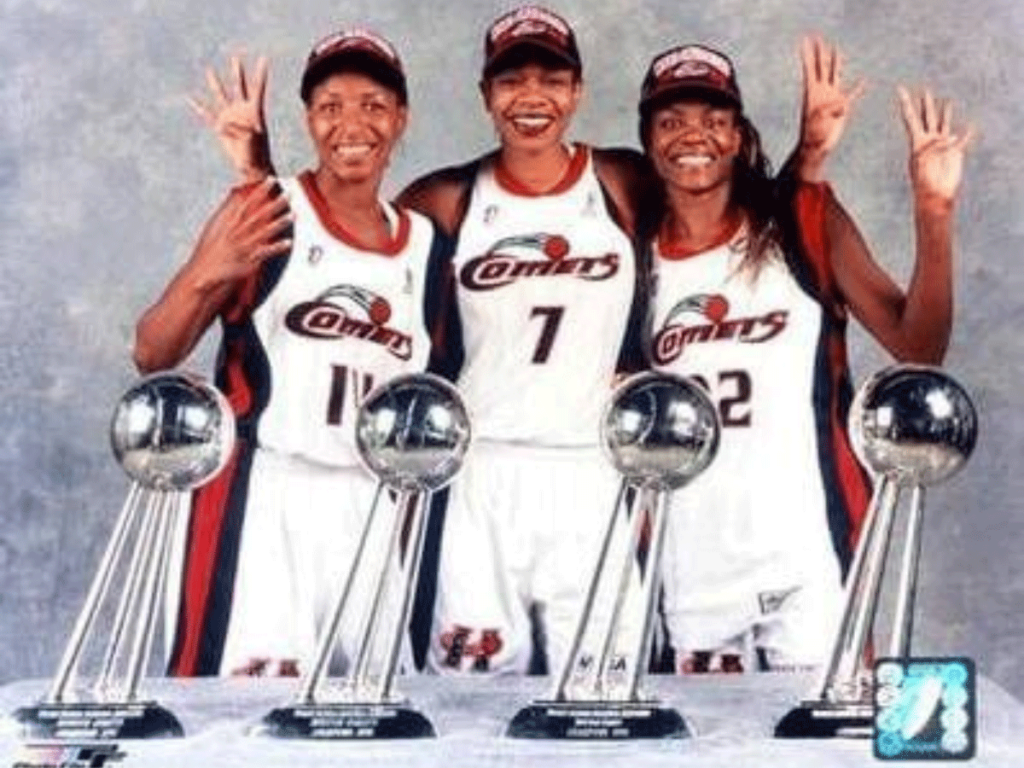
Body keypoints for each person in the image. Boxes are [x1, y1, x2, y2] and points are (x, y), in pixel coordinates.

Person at [196, 8, 845, 676]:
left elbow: (718, 184)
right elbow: (335, 241)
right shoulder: (447, 199)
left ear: (577, 92)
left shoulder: (619, 182)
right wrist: (257, 171)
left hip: (594, 473)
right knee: (469, 696)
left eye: (552, 79)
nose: (531, 96)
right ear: (486, 94)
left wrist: (808, 157)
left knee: (605, 697)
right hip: (478, 479)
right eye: (511, 81)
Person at [637, 42, 973, 673]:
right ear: (649, 141)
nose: (693, 136)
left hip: (809, 544)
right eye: (671, 121)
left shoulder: (802, 226)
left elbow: (918, 345)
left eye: (714, 120)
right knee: (704, 745)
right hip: (689, 556)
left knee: (832, 741)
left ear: (738, 136)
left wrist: (935, 212)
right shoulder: (634, 254)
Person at [134, 28, 454, 676]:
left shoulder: (426, 246)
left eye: (372, 103)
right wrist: (208, 268)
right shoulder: (264, 210)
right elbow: (152, 352)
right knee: (240, 720)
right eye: (330, 105)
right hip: (262, 494)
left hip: (370, 507)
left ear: (400, 118)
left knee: (376, 717)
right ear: (309, 120)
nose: (351, 123)